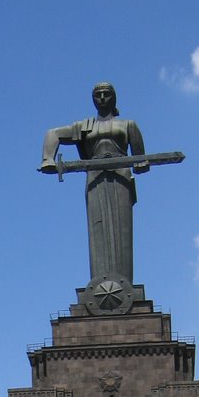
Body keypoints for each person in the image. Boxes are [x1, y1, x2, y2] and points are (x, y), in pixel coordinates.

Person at [40, 82, 148, 284]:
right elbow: (52, 134)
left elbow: (140, 159)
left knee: (121, 229)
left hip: (120, 177)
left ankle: (123, 283)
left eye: (107, 94)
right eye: (98, 94)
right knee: (97, 228)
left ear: (114, 97)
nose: (102, 98)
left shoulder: (128, 125)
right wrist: (48, 159)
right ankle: (100, 283)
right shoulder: (85, 127)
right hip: (95, 178)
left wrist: (141, 163)